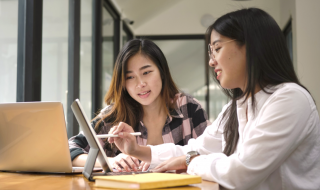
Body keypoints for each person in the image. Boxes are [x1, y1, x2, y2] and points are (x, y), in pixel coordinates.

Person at [108, 8, 320, 189]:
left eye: (217, 49)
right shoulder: (237, 106)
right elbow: (195, 147)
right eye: (210, 52)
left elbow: (241, 172)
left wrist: (192, 161)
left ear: (251, 47)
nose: (211, 61)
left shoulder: (290, 99)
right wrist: (136, 150)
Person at [68, 39, 210, 172]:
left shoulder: (188, 108)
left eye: (146, 72)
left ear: (162, 71)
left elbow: (212, 153)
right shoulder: (114, 116)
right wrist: (109, 161)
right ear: (123, 83)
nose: (140, 84)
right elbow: (69, 149)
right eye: (130, 77)